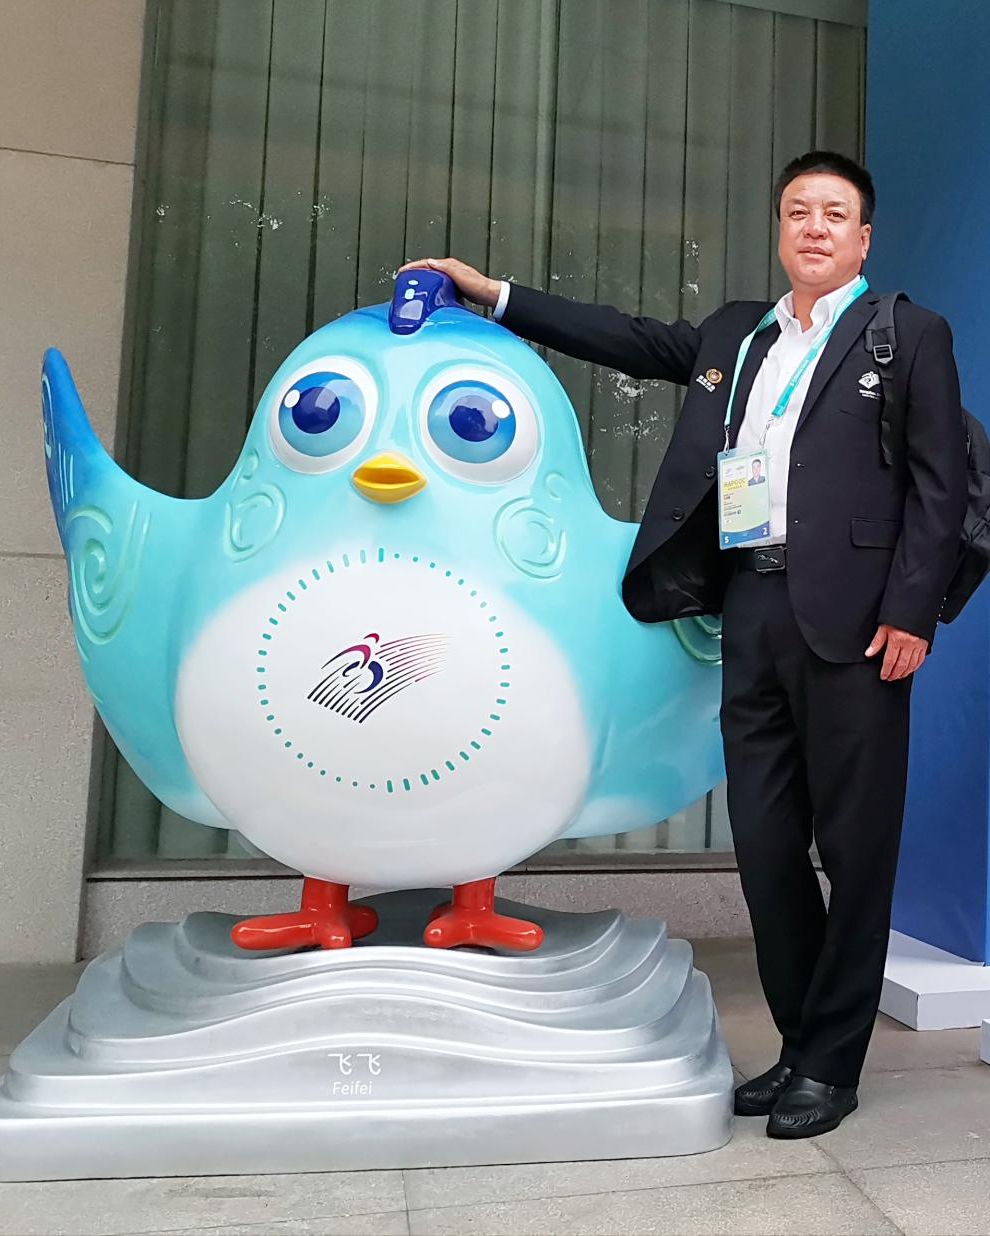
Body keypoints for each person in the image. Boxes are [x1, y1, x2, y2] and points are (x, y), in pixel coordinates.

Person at [399, 149, 968, 1139]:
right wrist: (491, 295)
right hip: (752, 607)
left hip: (856, 626)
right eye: (798, 211)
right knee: (765, 846)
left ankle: (832, 1066)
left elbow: (938, 484)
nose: (815, 227)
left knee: (855, 848)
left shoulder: (907, 334)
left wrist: (912, 612)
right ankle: (799, 1044)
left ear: (863, 238)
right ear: (779, 229)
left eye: (835, 214)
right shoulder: (738, 335)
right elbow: (624, 337)